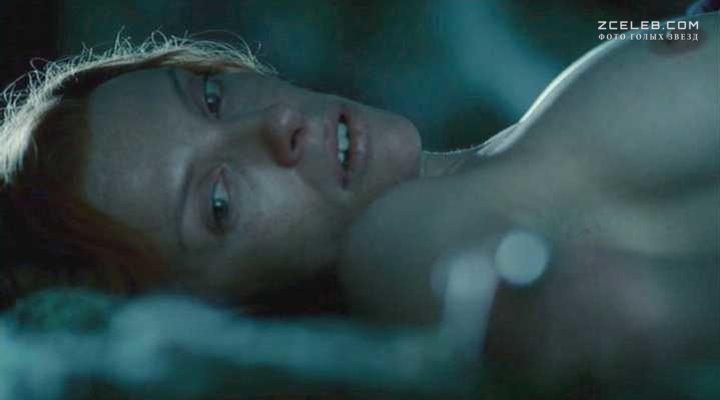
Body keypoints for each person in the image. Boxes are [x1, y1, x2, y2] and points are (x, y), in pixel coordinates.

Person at [0, 9, 717, 392]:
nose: (275, 127)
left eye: (211, 96)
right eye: (218, 203)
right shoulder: (393, 244)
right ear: (235, 311)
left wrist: (663, 23)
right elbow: (600, 308)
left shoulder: (492, 163)